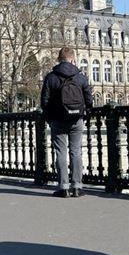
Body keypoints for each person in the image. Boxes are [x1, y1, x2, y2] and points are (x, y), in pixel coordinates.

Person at [40, 46, 93, 198]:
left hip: (57, 119)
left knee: (61, 152)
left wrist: (49, 117)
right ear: (73, 59)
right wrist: (86, 112)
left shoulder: (51, 77)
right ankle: (77, 187)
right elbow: (89, 98)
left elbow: (44, 100)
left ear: (59, 59)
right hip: (76, 119)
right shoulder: (80, 77)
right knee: (76, 151)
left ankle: (63, 188)